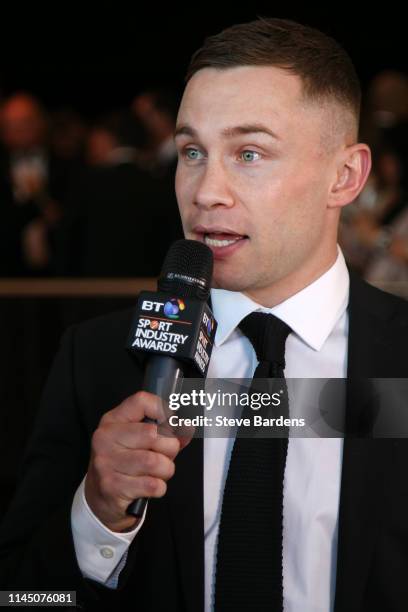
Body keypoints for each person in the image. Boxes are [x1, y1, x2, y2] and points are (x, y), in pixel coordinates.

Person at [1, 17, 408, 612]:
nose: (205, 190)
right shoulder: (94, 362)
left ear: (344, 177)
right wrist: (95, 516)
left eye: (249, 152)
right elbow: (22, 596)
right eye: (192, 150)